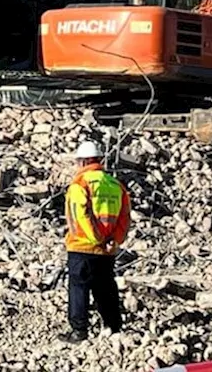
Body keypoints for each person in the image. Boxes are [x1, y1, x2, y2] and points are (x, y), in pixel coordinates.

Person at [63, 140, 131, 342]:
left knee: (79, 287)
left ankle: (79, 331)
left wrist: (96, 239)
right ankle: (114, 327)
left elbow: (81, 216)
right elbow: (124, 217)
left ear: (83, 162)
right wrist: (114, 241)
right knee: (106, 287)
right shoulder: (115, 185)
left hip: (83, 246)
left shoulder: (80, 184)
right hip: (107, 249)